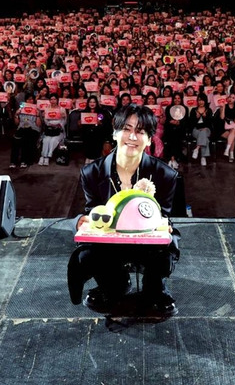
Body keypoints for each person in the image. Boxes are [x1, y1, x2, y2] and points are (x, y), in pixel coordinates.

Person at [68, 104, 181, 316]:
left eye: (140, 131)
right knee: (86, 254)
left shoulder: (165, 175)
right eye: (126, 129)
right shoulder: (91, 173)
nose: (132, 137)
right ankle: (114, 284)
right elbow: (93, 210)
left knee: (167, 248)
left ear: (149, 139)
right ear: (115, 133)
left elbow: (164, 216)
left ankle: (155, 289)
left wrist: (162, 226)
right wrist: (84, 220)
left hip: (146, 242)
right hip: (109, 243)